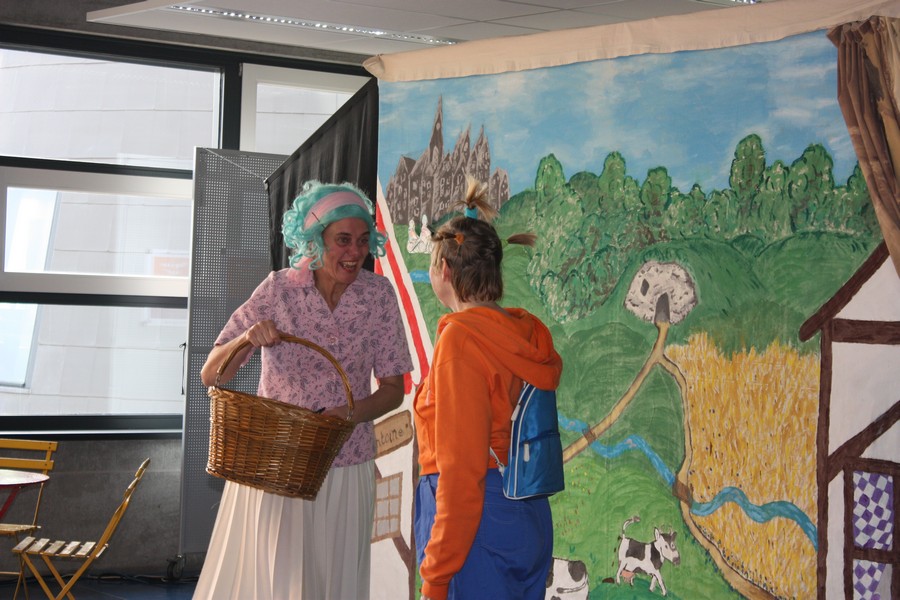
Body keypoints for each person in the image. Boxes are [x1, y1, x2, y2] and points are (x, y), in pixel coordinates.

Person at [194, 181, 413, 600]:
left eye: (363, 240)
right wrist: (247, 339)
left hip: (348, 463)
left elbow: (392, 390)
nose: (355, 252)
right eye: (343, 240)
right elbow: (211, 375)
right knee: (279, 583)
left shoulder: (378, 296)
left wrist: (347, 415)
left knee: (336, 583)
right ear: (315, 239)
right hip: (277, 463)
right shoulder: (278, 289)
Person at [413, 178, 564, 600]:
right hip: (527, 513)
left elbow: (462, 472)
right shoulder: (527, 333)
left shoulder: (460, 340)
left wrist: (436, 577)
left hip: (475, 528)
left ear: (444, 270)